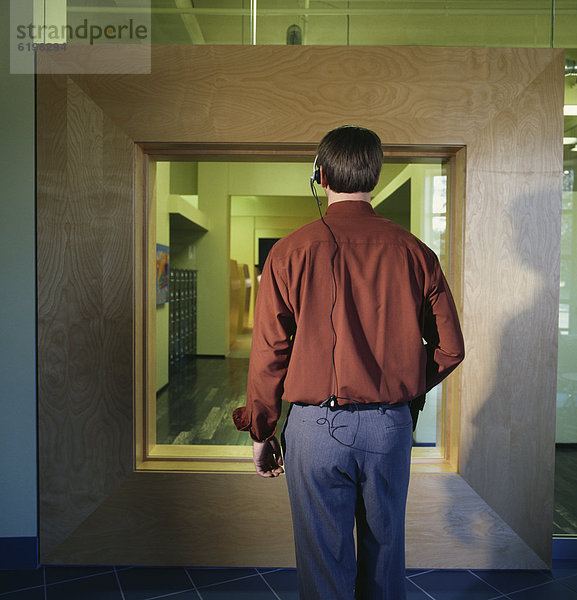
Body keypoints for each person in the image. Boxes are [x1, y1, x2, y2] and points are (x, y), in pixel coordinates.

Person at [232, 125, 465, 599]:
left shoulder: (288, 253)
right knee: (385, 556)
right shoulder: (416, 252)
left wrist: (262, 431)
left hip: (315, 430)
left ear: (319, 176)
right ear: (374, 178)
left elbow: (269, 354)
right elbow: (450, 348)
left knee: (323, 564)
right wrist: (402, 384)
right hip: (389, 428)